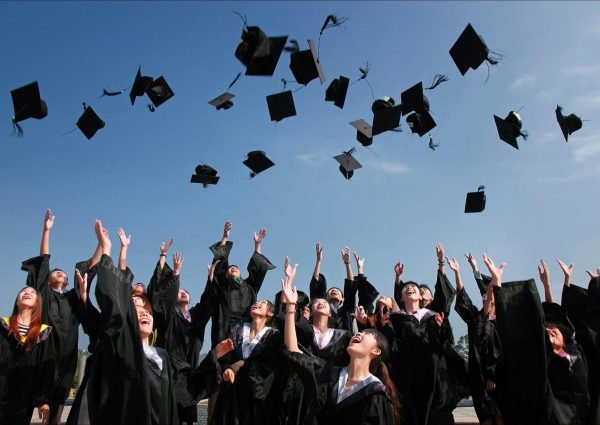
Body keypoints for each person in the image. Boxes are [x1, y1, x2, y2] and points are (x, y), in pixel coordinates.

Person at [68, 220, 231, 425]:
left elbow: (184, 389)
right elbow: (115, 303)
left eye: (146, 310)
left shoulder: (161, 358)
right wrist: (109, 252)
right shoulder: (120, 348)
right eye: (135, 309)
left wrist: (214, 357)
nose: (144, 313)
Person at [281, 260, 399, 425]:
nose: (358, 335)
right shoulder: (330, 374)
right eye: (360, 333)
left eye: (367, 334)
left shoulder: (376, 394)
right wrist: (290, 306)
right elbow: (294, 350)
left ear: (377, 350)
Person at [20, 210, 85, 425]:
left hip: (67, 357)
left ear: (67, 281)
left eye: (62, 273)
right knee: (32, 403)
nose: (58, 272)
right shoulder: (44, 296)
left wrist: (102, 247)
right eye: (54, 272)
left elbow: (89, 271)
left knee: (57, 406)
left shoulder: (71, 299)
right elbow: (44, 260)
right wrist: (46, 231)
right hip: (43, 354)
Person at [146, 239, 212, 425]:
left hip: (188, 370)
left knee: (186, 414)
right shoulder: (168, 315)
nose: (183, 293)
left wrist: (210, 279)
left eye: (186, 292)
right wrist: (170, 267)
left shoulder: (196, 316)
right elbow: (159, 293)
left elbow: (208, 302)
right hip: (167, 369)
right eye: (179, 291)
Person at [211, 285, 283, 425]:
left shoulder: (273, 336)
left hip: (256, 394)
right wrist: (226, 368)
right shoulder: (236, 330)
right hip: (232, 392)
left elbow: (269, 364)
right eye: (256, 302)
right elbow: (225, 356)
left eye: (263, 303)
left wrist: (243, 363)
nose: (257, 303)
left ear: (270, 314)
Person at [206, 221, 276, 348]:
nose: (233, 268)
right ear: (226, 274)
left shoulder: (249, 286)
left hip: (246, 330)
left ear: (240, 273)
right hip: (224, 329)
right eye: (230, 268)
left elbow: (257, 268)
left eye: (236, 268)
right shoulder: (222, 285)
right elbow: (219, 264)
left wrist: (257, 245)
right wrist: (225, 238)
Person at [453, 253, 504, 425]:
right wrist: (458, 272)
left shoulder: (504, 321)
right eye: (483, 293)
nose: (485, 294)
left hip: (500, 377)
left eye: (488, 293)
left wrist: (493, 375)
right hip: (478, 376)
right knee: (485, 415)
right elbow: (463, 298)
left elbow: (501, 350)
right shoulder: (476, 317)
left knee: (500, 414)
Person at [0, 287, 54, 425]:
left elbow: (46, 368)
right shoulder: (2, 326)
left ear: (38, 303)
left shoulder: (44, 333)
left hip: (24, 396)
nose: (27, 293)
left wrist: (43, 399)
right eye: (23, 291)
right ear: (17, 300)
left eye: (32, 292)